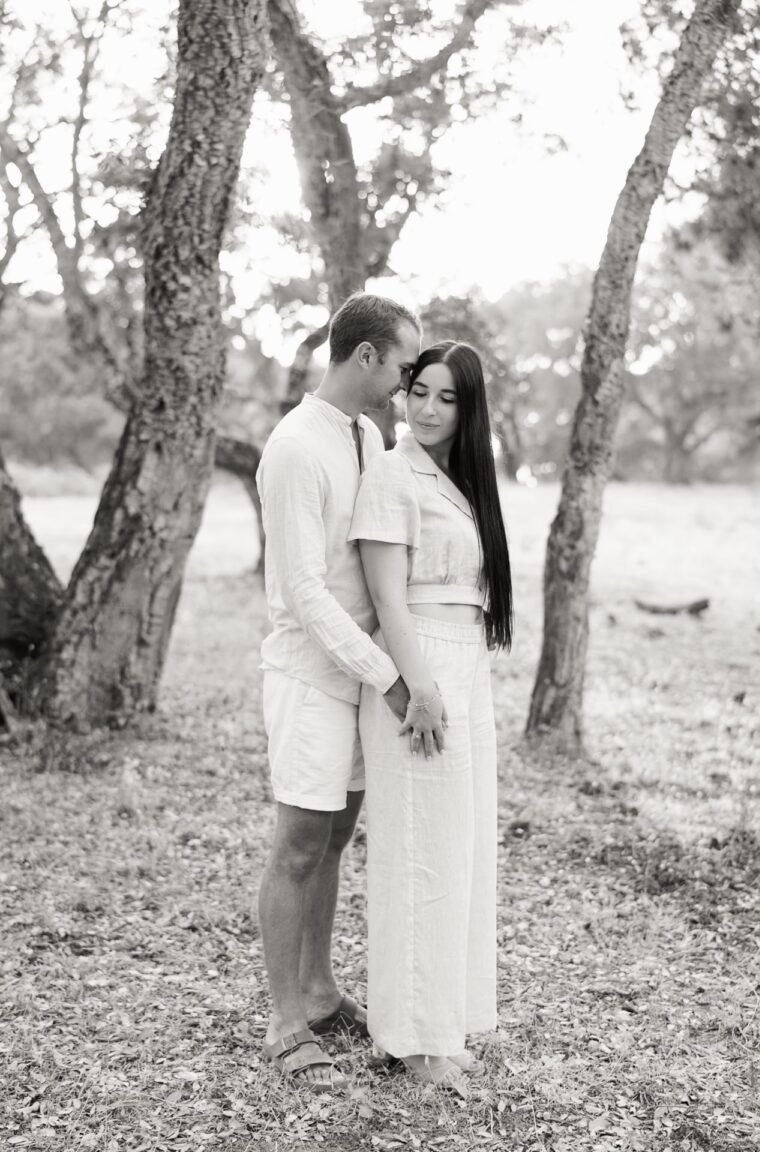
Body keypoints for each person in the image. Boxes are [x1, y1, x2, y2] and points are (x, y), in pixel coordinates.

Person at [256, 292, 421, 1092]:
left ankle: (321, 994)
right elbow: (303, 591)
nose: (405, 379)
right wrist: (387, 678)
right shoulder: (294, 448)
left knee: (336, 838)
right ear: (365, 357)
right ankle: (286, 1022)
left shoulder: (369, 432)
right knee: (297, 843)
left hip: (361, 673)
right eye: (400, 364)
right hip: (310, 674)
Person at [348, 340, 513, 1096]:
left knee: (461, 853)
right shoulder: (391, 472)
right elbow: (387, 596)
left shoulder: (465, 479)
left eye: (447, 398)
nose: (427, 408)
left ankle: (445, 1022)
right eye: (419, 391)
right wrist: (418, 687)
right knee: (421, 855)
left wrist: (456, 679)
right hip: (422, 669)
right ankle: (414, 1043)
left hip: (466, 663)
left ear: (468, 408)